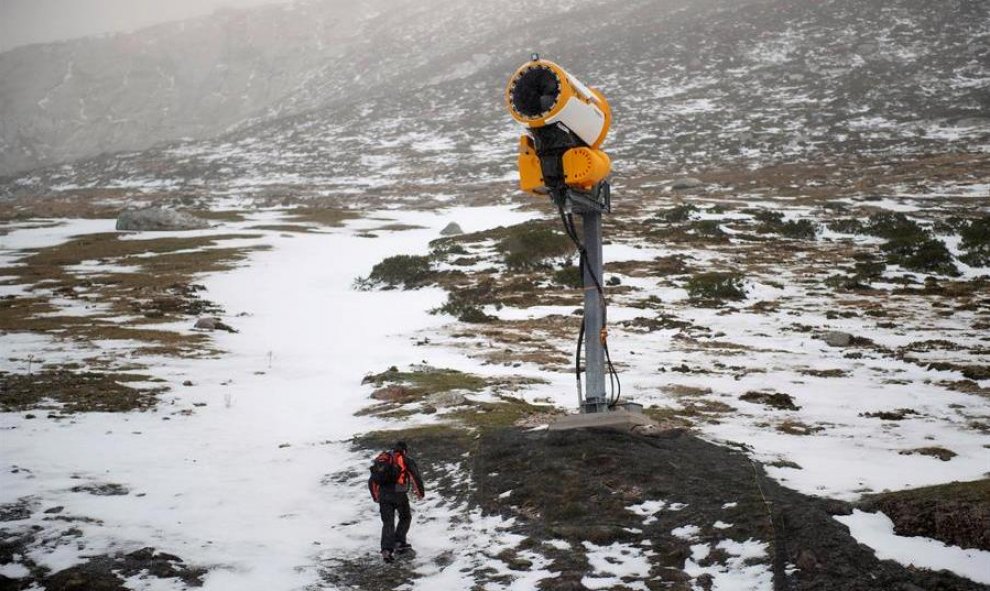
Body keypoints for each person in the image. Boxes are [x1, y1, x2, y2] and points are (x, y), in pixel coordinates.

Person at [368, 440, 425, 563]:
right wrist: (420, 493)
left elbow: (372, 481)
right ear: (404, 450)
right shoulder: (405, 459)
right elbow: (416, 476)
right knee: (405, 516)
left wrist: (376, 497)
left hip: (383, 493)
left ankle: (386, 551)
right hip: (399, 491)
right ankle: (399, 542)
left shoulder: (382, 461)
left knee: (388, 522)